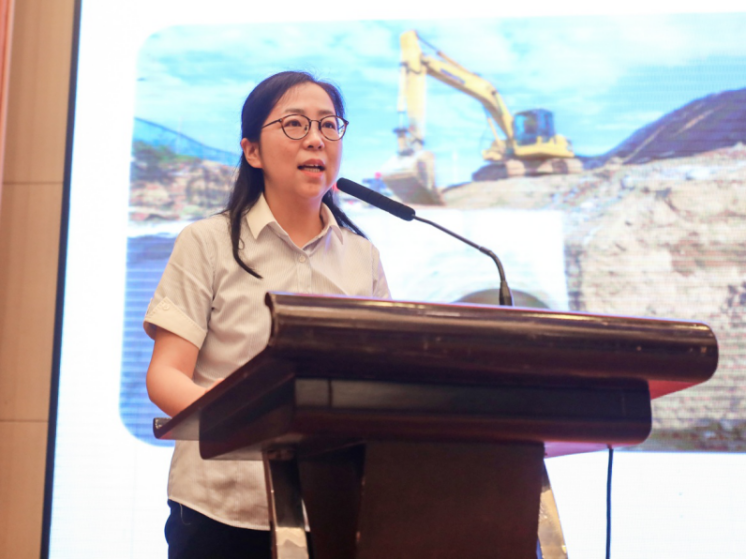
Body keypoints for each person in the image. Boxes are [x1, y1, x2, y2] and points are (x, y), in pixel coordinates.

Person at [143, 71, 390, 559]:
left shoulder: (363, 258)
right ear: (252, 151)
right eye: (295, 124)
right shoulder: (208, 242)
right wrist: (246, 421)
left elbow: (381, 381)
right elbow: (165, 376)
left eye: (328, 125)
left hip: (334, 507)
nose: (316, 139)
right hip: (221, 510)